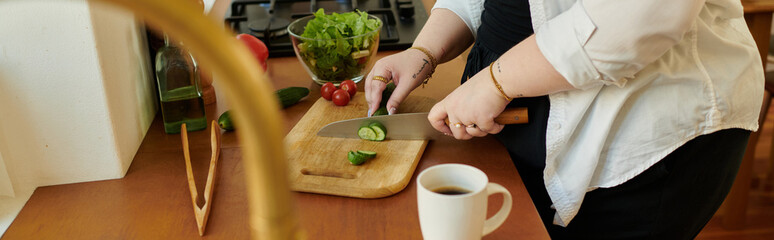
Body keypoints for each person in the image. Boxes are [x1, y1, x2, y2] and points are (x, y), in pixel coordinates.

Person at [364, 0, 764, 238]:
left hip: (639, 138)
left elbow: (639, 14)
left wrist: (495, 83)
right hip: (510, 112)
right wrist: (426, 51)